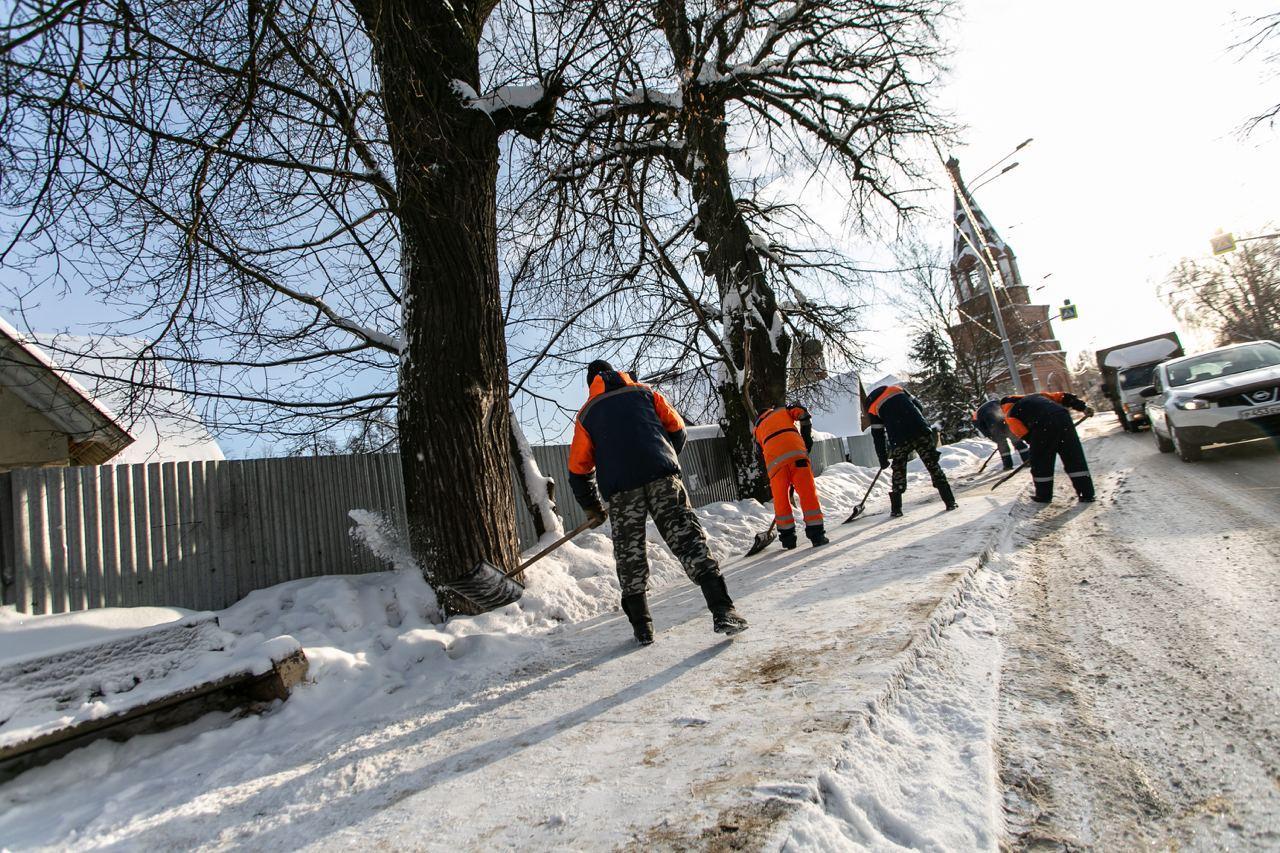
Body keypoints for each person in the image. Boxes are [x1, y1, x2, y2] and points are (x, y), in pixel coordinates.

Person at [568, 360, 749, 645]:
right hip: (662, 476)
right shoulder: (644, 393)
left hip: (622, 489)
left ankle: (643, 628)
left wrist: (591, 506)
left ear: (591, 384)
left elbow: (579, 471)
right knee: (688, 538)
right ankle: (723, 609)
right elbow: (678, 430)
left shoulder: (587, 414)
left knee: (630, 553)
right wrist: (664, 458)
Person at [866, 384, 957, 517]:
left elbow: (878, 436)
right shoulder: (897, 389)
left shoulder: (872, 408)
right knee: (933, 465)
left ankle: (896, 510)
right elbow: (919, 407)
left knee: (899, 470)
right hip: (920, 430)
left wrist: (883, 459)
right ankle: (950, 501)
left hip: (899, 438)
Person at [752, 401, 828, 549]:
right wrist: (806, 440)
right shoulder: (782, 411)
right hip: (797, 456)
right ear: (769, 409)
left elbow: (758, 453)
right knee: (808, 495)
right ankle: (817, 536)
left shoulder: (757, 429)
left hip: (775, 465)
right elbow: (802, 413)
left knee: (781, 500)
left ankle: (788, 540)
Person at [999, 391, 1095, 503]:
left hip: (1042, 425)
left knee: (1041, 463)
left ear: (1003, 407)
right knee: (1073, 457)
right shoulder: (1039, 396)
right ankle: (1087, 494)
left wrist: (1038, 447)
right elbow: (1064, 397)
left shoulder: (1010, 414)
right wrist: (1083, 407)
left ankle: (1043, 496)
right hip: (1063, 417)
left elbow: (1024, 434)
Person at [973, 399, 1028, 471]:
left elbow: (983, 429)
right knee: (1016, 440)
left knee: (1003, 445)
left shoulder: (976, 416)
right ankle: (1027, 461)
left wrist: (993, 437)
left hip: (993, 422)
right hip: (1003, 418)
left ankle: (1008, 466)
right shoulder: (998, 402)